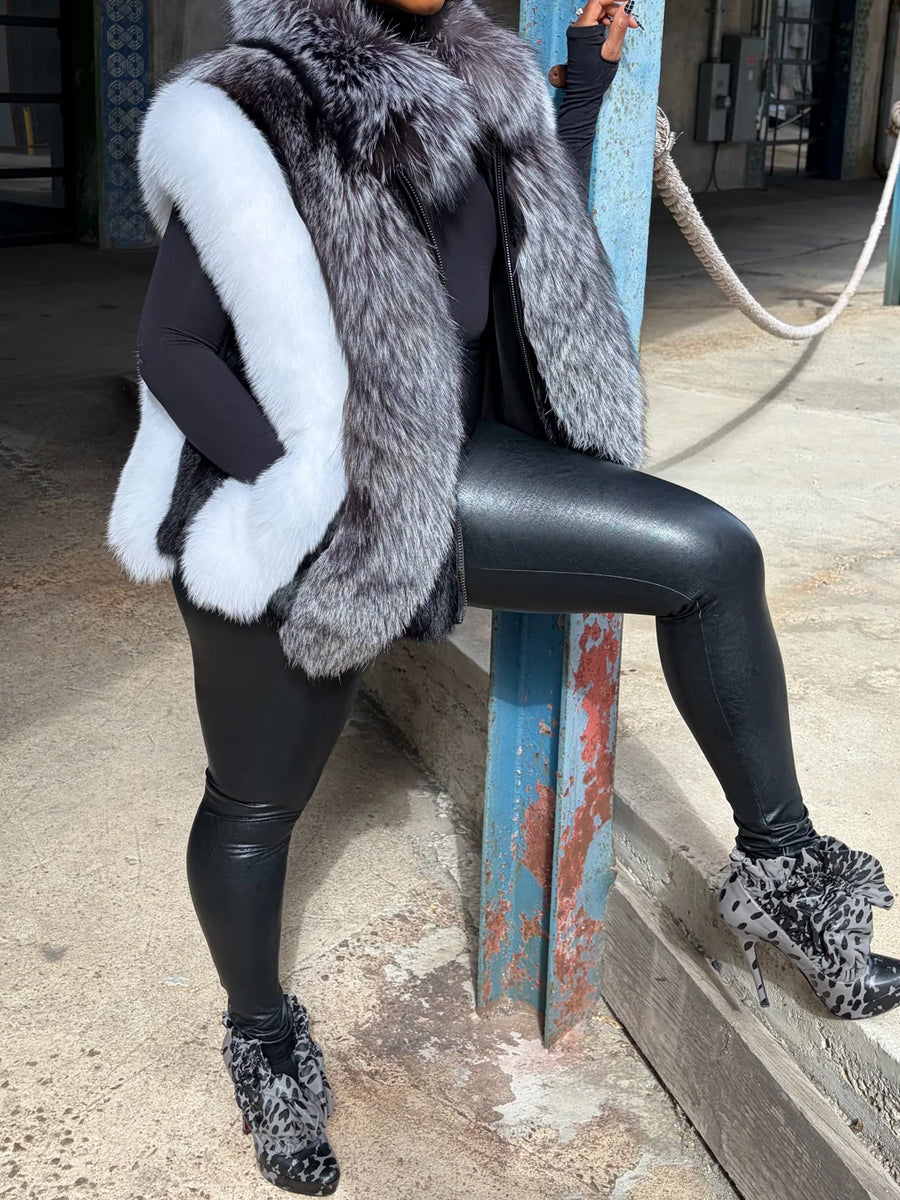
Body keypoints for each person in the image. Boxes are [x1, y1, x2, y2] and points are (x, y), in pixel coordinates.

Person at [107, 0, 900, 1192]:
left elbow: (525, 244)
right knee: (257, 802)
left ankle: (787, 880)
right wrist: (318, 498)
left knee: (712, 557)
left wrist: (577, 92)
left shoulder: (484, 87)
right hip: (278, 491)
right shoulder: (258, 99)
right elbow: (171, 349)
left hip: (452, 467)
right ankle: (260, 1039)